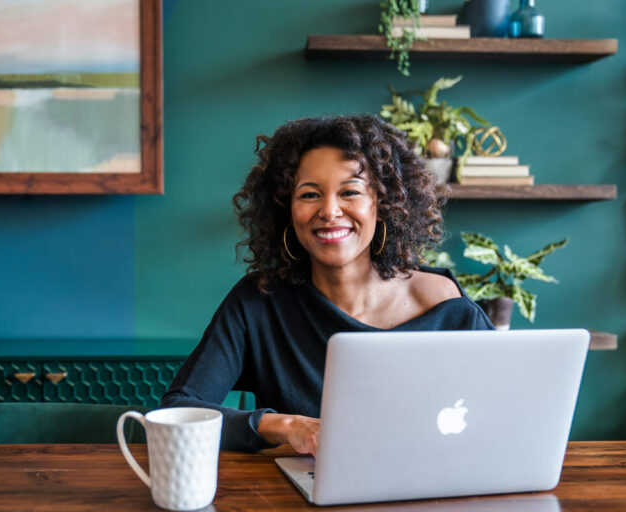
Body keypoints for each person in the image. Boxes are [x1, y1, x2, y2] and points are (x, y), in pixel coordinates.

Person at [160, 115, 493, 455]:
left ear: (383, 203)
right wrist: (287, 426)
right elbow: (177, 411)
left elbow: (508, 416)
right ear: (286, 208)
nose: (329, 211)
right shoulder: (259, 303)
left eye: (350, 191)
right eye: (309, 194)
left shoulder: (450, 310)